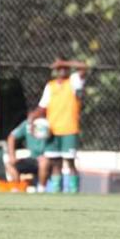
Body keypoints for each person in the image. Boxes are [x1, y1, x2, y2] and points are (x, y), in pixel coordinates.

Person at [37, 58, 87, 193]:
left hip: (69, 129)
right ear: (55, 71)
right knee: (55, 163)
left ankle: (73, 190)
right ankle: (56, 191)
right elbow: (43, 107)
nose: (62, 70)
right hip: (52, 131)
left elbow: (84, 67)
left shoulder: (73, 82)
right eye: (59, 68)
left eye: (64, 68)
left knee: (70, 162)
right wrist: (32, 119)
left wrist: (65, 62)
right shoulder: (50, 86)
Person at [5, 115, 50, 192]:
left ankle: (41, 189)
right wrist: (12, 156)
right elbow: (12, 137)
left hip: (49, 159)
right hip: (33, 158)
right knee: (9, 164)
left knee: (44, 162)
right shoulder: (27, 124)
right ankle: (16, 188)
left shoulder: (50, 123)